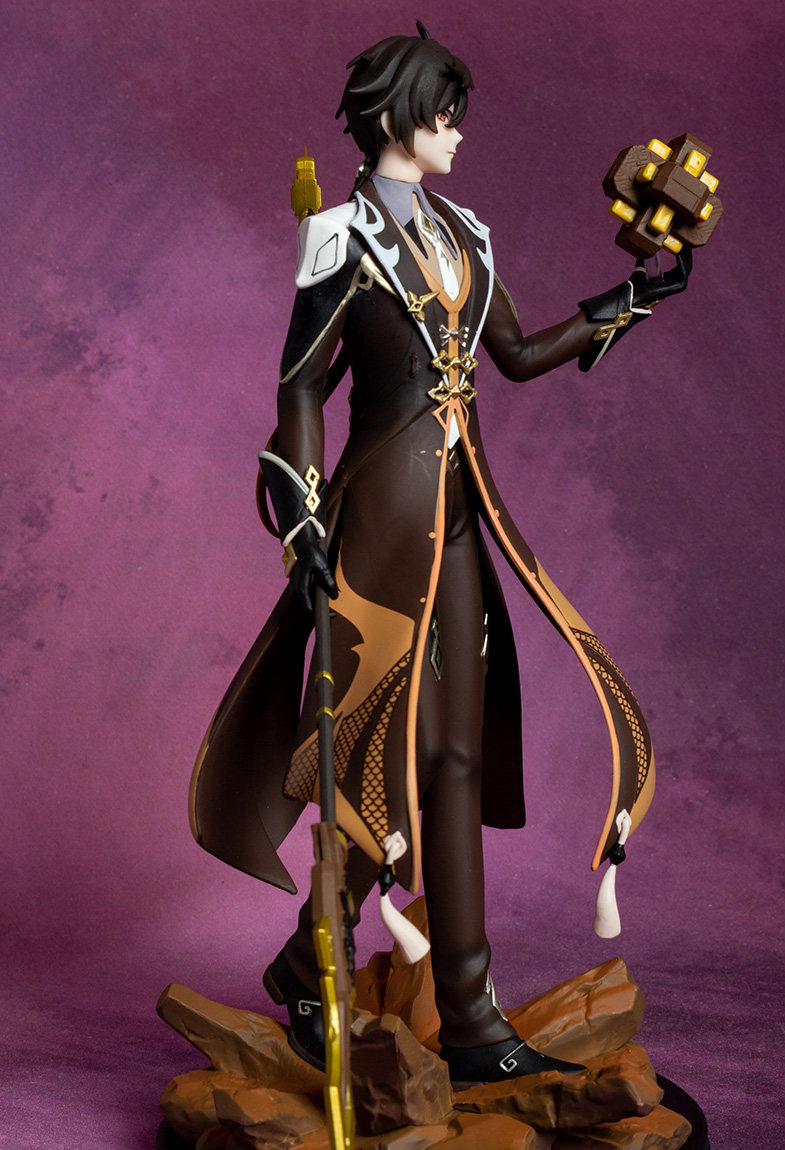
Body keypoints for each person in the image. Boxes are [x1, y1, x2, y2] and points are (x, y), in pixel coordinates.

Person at [190, 25, 691, 1085]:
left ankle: (467, 1014)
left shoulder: (467, 232)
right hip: (375, 523)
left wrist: (636, 297)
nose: (459, 131)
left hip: (464, 517)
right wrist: (301, 511)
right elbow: (300, 385)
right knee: (375, 751)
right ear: (395, 117)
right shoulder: (338, 237)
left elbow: (517, 353)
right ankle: (315, 965)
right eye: (445, 114)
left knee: (457, 756)